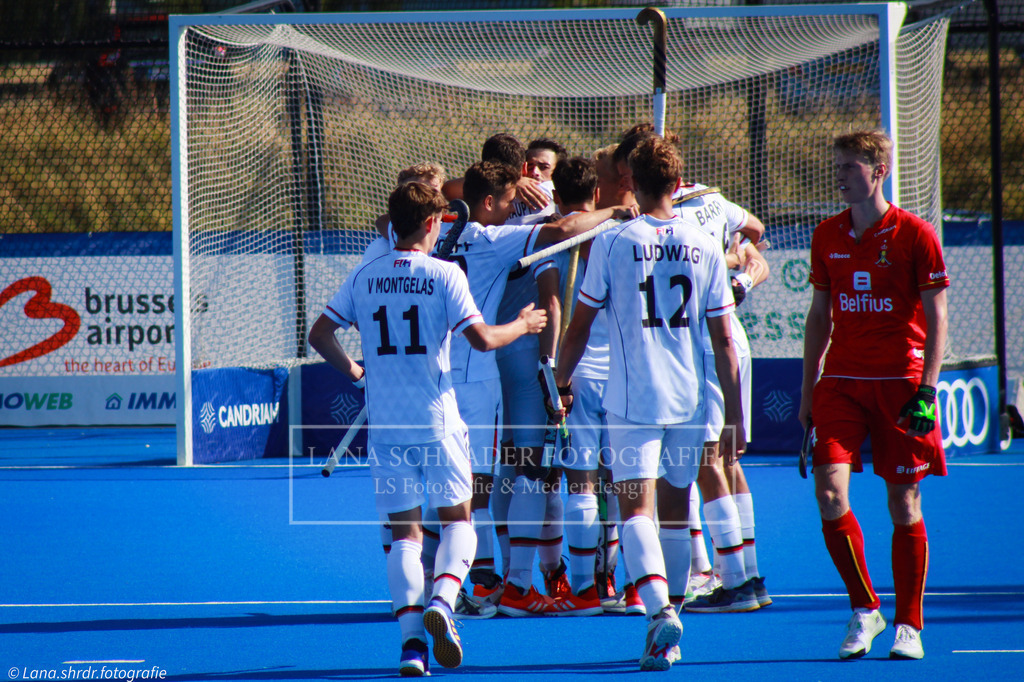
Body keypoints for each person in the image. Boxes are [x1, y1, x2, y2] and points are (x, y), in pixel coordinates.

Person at [308, 181, 547, 676]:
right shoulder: (444, 274)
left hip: (386, 428)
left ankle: (412, 647)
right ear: (432, 224)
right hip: (437, 421)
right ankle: (443, 600)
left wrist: (356, 373)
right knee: (460, 521)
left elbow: (320, 334)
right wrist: (524, 325)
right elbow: (483, 340)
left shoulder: (365, 274)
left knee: (405, 537)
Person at [555, 136, 745, 671]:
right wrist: (734, 413)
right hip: (690, 397)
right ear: (678, 184)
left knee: (634, 508)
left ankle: (659, 611)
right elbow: (725, 339)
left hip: (633, 398)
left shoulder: (613, 241)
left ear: (631, 183)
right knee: (677, 508)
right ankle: (670, 630)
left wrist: (560, 383)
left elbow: (579, 325)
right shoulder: (704, 243)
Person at [440, 159, 634, 617]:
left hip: (471, 368)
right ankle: (546, 585)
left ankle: (488, 580)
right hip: (556, 365)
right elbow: (553, 298)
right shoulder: (542, 229)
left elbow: (409, 207)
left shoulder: (447, 230)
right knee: (571, 476)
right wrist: (551, 372)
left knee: (487, 474)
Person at [798, 129, 950, 661]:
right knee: (829, 495)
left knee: (903, 502)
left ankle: (909, 624)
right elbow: (819, 316)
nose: (839, 176)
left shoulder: (916, 234)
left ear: (878, 171)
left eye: (849, 167)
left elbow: (937, 318)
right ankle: (865, 609)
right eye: (837, 166)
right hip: (841, 382)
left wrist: (928, 389)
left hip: (902, 386)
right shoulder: (826, 235)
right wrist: (807, 389)